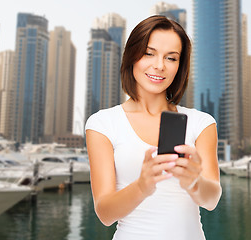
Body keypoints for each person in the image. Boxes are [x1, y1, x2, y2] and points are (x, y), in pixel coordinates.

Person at [85, 15, 222, 240]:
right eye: (149, 53)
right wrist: (142, 186)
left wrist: (195, 182)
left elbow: (212, 199)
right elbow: (105, 213)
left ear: (180, 66)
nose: (159, 66)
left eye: (171, 58)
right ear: (132, 55)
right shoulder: (103, 124)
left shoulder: (201, 123)